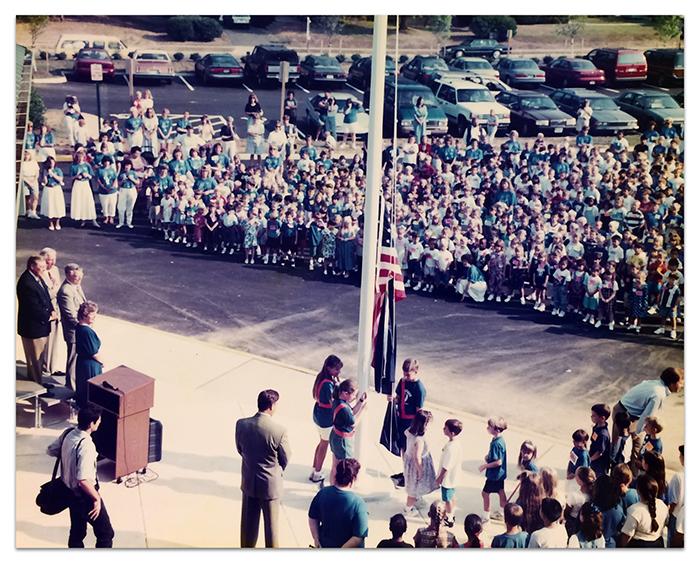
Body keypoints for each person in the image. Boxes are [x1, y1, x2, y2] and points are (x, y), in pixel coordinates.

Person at [46, 404, 114, 548]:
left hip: (69, 493)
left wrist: (69, 457)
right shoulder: (87, 446)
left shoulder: (68, 433)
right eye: (98, 420)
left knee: (77, 532)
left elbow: (51, 450)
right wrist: (96, 499)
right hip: (85, 496)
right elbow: (83, 479)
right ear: (91, 423)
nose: (100, 422)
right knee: (106, 533)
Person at [235, 389, 290, 548]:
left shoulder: (241, 424)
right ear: (272, 406)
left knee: (247, 528)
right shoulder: (279, 431)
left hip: (249, 482)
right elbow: (285, 457)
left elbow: (240, 449)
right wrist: (276, 470)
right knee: (271, 531)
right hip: (270, 486)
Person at [611, 367, 683, 476]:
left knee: (636, 449)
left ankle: (631, 477)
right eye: (681, 383)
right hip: (624, 415)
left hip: (631, 414)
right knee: (620, 447)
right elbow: (646, 417)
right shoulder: (658, 394)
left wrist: (638, 431)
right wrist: (637, 431)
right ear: (672, 383)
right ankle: (618, 477)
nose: (682, 386)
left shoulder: (656, 384)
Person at [308, 457, 368, 548]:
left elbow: (312, 518)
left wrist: (316, 539)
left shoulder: (322, 493)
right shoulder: (358, 504)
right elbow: (358, 537)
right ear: (353, 480)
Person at [17, 255, 57, 384]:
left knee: (39, 360)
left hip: (40, 327)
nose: (44, 270)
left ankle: (39, 383)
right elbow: (32, 308)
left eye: (45, 267)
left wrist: (52, 309)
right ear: (32, 266)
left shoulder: (37, 277)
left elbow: (46, 295)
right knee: (35, 361)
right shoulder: (26, 283)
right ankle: (37, 388)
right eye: (41, 268)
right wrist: (49, 317)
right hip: (32, 329)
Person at [310, 355, 343, 483]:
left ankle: (315, 469)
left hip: (318, 414)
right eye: (336, 369)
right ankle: (317, 473)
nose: (338, 372)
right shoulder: (328, 385)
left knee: (321, 443)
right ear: (329, 368)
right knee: (324, 444)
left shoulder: (321, 378)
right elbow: (332, 401)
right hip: (326, 418)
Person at [328, 379, 367, 486]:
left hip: (335, 436)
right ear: (346, 393)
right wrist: (363, 411)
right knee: (345, 468)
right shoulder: (344, 408)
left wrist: (360, 402)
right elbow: (353, 423)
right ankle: (340, 487)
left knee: (335, 465)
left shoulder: (339, 402)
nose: (355, 397)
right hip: (343, 441)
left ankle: (332, 486)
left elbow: (352, 412)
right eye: (354, 395)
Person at [403, 409, 439, 516]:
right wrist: (420, 470)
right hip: (416, 466)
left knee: (414, 485)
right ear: (425, 423)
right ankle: (408, 509)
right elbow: (417, 458)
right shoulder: (419, 440)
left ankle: (417, 499)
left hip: (409, 462)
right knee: (413, 489)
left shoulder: (409, 430)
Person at [57, 263, 87, 391]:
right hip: (74, 332)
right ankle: (71, 386)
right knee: (72, 360)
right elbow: (70, 315)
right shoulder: (66, 291)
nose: (79, 279)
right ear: (68, 277)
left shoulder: (75, 285)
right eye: (76, 277)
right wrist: (84, 326)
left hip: (80, 329)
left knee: (77, 359)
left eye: (81, 276)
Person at [619, 473, 668, 547]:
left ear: (638, 491)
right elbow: (666, 523)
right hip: (658, 544)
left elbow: (626, 536)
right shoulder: (662, 505)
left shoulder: (635, 511)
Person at [478, 416, 508, 523]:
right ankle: (502, 512)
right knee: (500, 491)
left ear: (497, 429)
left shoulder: (496, 443)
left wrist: (484, 466)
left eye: (489, 427)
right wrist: (489, 457)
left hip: (494, 475)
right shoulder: (499, 440)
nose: (487, 428)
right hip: (500, 474)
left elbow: (498, 462)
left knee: (485, 493)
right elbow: (497, 457)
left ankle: (486, 517)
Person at [75, 301, 103, 408]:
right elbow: (93, 352)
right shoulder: (87, 331)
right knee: (91, 390)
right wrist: (102, 361)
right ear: (85, 314)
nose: (94, 316)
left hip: (82, 363)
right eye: (92, 314)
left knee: (84, 388)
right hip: (90, 365)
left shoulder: (80, 326)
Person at [39, 248, 61, 378]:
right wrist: (54, 290)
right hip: (47, 311)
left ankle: (52, 367)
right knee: (47, 342)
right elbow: (46, 294)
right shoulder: (40, 273)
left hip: (56, 309)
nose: (51, 263)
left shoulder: (55, 270)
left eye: (53, 260)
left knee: (55, 341)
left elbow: (57, 289)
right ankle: (45, 370)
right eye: (49, 261)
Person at [435, 418, 463, 526]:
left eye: (445, 428)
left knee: (447, 499)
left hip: (448, 479)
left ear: (452, 433)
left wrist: (440, 478)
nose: (443, 429)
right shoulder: (455, 442)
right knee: (452, 497)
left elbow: (446, 466)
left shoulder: (452, 448)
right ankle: (450, 513)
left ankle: (449, 519)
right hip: (453, 477)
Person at [69, 150, 99, 228]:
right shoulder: (73, 166)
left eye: (81, 157)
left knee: (89, 201)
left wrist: (87, 175)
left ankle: (93, 220)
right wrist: (76, 176)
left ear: (84, 157)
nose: (80, 158)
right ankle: (83, 220)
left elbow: (91, 176)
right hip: (77, 184)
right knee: (80, 201)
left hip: (86, 184)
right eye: (78, 157)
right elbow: (71, 177)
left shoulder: (87, 165)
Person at [39, 156, 66, 230]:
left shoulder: (58, 170)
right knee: (50, 205)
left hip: (56, 189)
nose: (51, 164)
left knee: (57, 205)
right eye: (50, 162)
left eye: (52, 162)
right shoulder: (44, 171)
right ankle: (50, 222)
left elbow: (60, 179)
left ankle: (57, 222)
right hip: (48, 189)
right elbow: (45, 182)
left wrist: (52, 174)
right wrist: (45, 173)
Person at [589, 403, 611, 477]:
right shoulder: (596, 427)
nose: (591, 417)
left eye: (594, 415)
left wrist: (589, 460)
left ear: (602, 418)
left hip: (600, 465)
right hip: (594, 460)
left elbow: (599, 453)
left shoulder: (603, 435)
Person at [22, 150, 41, 220]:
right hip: (25, 180)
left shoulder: (34, 163)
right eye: (24, 155)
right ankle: (28, 211)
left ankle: (34, 212)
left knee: (35, 196)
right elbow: (21, 175)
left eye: (27, 155)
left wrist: (33, 181)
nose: (26, 156)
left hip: (33, 179)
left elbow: (37, 172)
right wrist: (28, 182)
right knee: (27, 197)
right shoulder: (22, 163)